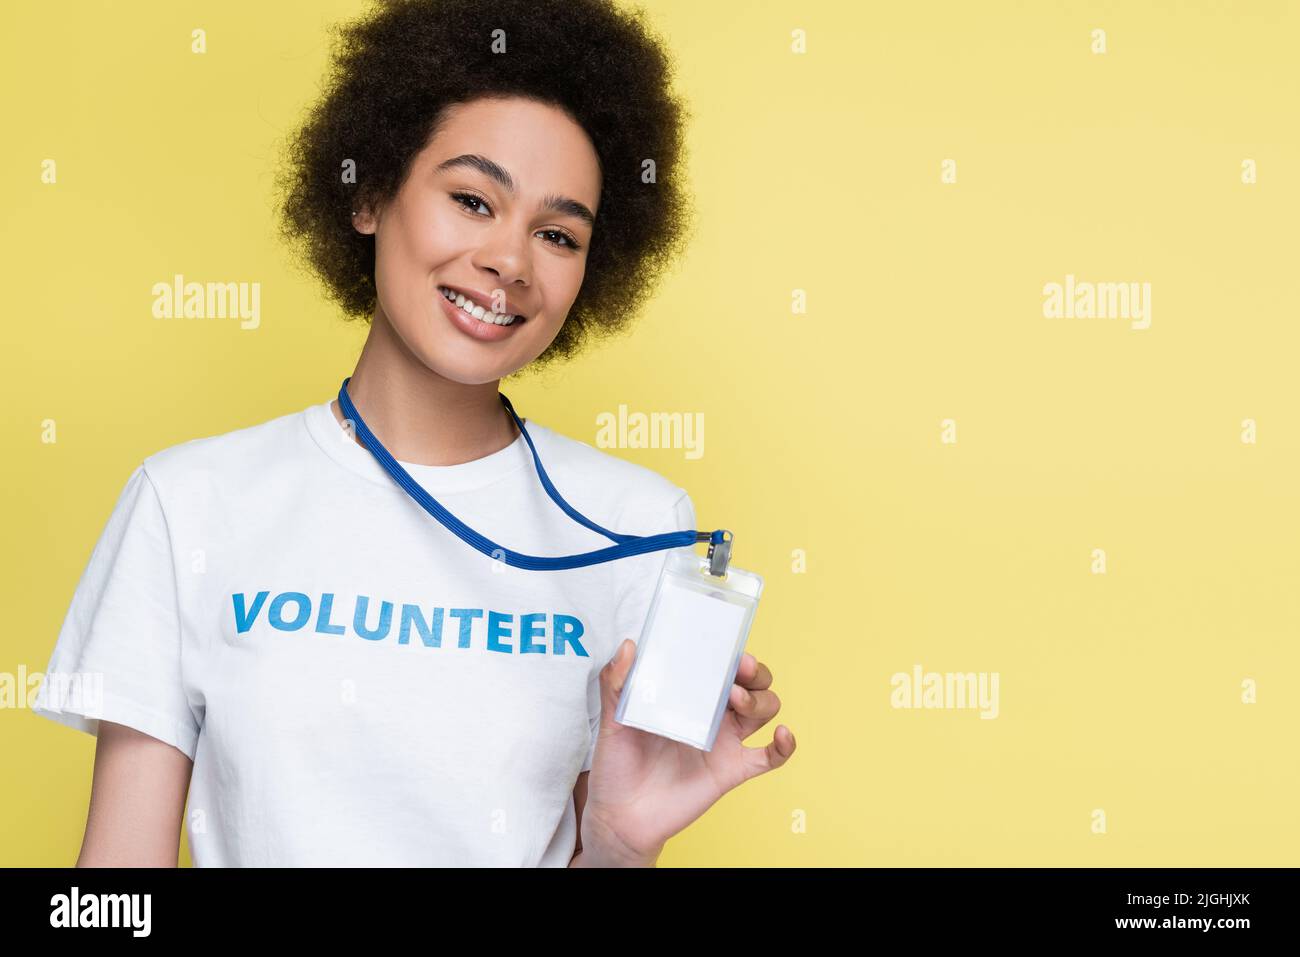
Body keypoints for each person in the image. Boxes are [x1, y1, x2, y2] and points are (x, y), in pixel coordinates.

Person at [32, 0, 794, 867]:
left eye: (556, 233)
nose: (510, 261)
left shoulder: (633, 526)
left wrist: (617, 844)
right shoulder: (189, 503)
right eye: (473, 200)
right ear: (370, 194)